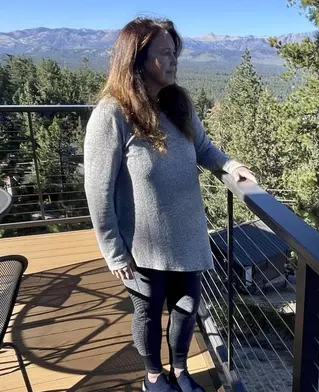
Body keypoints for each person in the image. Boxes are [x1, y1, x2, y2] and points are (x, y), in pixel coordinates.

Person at [83, 17, 256, 392]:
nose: (174, 59)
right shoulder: (112, 114)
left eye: (175, 51)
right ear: (139, 59)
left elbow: (204, 149)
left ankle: (179, 371)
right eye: (165, 52)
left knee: (186, 309)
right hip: (142, 246)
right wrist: (114, 252)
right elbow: (97, 191)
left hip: (187, 234)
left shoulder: (177, 103)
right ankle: (153, 377)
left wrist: (231, 166)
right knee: (148, 314)